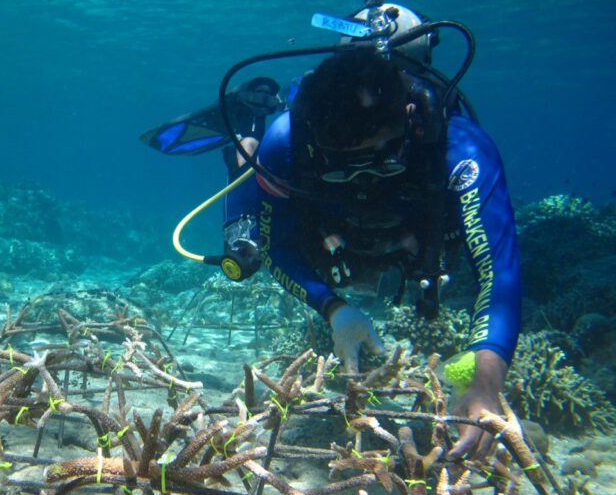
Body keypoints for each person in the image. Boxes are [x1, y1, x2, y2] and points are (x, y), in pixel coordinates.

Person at [221, 46, 521, 460]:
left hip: (413, 234)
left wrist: (485, 381)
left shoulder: (462, 148)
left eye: (382, 162)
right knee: (248, 201)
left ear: (410, 121)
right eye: (341, 167)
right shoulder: (286, 144)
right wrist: (333, 308)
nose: (363, 185)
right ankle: (244, 137)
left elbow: (498, 272)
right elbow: (277, 249)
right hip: (330, 236)